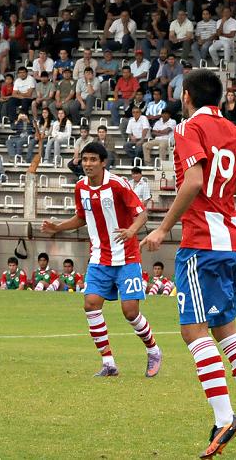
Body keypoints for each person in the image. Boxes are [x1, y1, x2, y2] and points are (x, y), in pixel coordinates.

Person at [139, 69, 236, 457]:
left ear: (187, 97)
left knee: (193, 333)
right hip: (234, 244)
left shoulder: (188, 128)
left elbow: (196, 180)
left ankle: (223, 418)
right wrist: (231, 186)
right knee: (226, 330)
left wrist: (163, 228)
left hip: (202, 245)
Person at [42, 142, 162, 379]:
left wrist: (131, 231)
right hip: (99, 257)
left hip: (127, 257)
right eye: (85, 160)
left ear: (103, 162)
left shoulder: (117, 184)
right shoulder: (80, 188)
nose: (87, 164)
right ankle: (108, 362)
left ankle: (154, 350)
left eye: (93, 160)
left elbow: (142, 214)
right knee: (91, 305)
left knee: (130, 312)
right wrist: (58, 228)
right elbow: (81, 218)